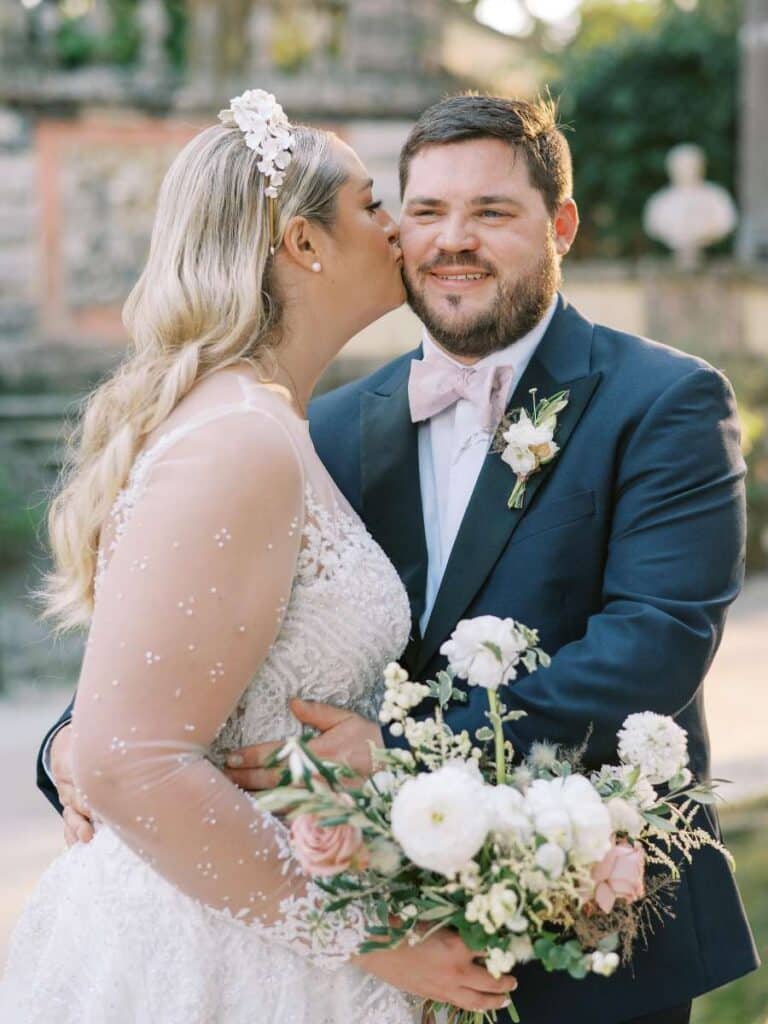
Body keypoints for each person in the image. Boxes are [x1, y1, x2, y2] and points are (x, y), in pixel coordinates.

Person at [37, 93, 759, 1023]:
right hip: (348, 938)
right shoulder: (321, 427)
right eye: (419, 211)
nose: (451, 240)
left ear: (561, 227)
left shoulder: (666, 402)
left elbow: (653, 643)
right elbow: (183, 635)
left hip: (583, 930)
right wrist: (74, 746)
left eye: (492, 212)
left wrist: (408, 750)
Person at [2, 91, 518, 1022]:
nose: (397, 226)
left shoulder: (272, 425)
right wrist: (371, 938)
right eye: (371, 204)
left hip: (268, 918)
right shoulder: (238, 436)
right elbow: (128, 758)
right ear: (303, 244)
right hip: (214, 958)